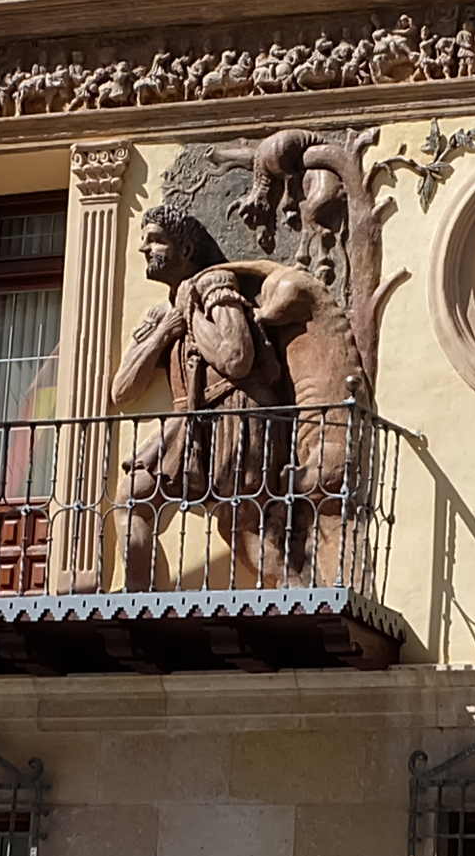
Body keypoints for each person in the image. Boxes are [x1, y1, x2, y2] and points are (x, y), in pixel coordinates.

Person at [112, 206, 343, 590]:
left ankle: (295, 591)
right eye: (143, 239)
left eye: (155, 240)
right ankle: (142, 597)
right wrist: (164, 332)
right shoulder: (162, 314)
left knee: (241, 528)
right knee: (132, 500)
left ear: (185, 249)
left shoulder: (216, 286)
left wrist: (193, 317)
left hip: (237, 412)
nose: (144, 248)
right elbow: (122, 392)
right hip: (189, 423)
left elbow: (236, 358)